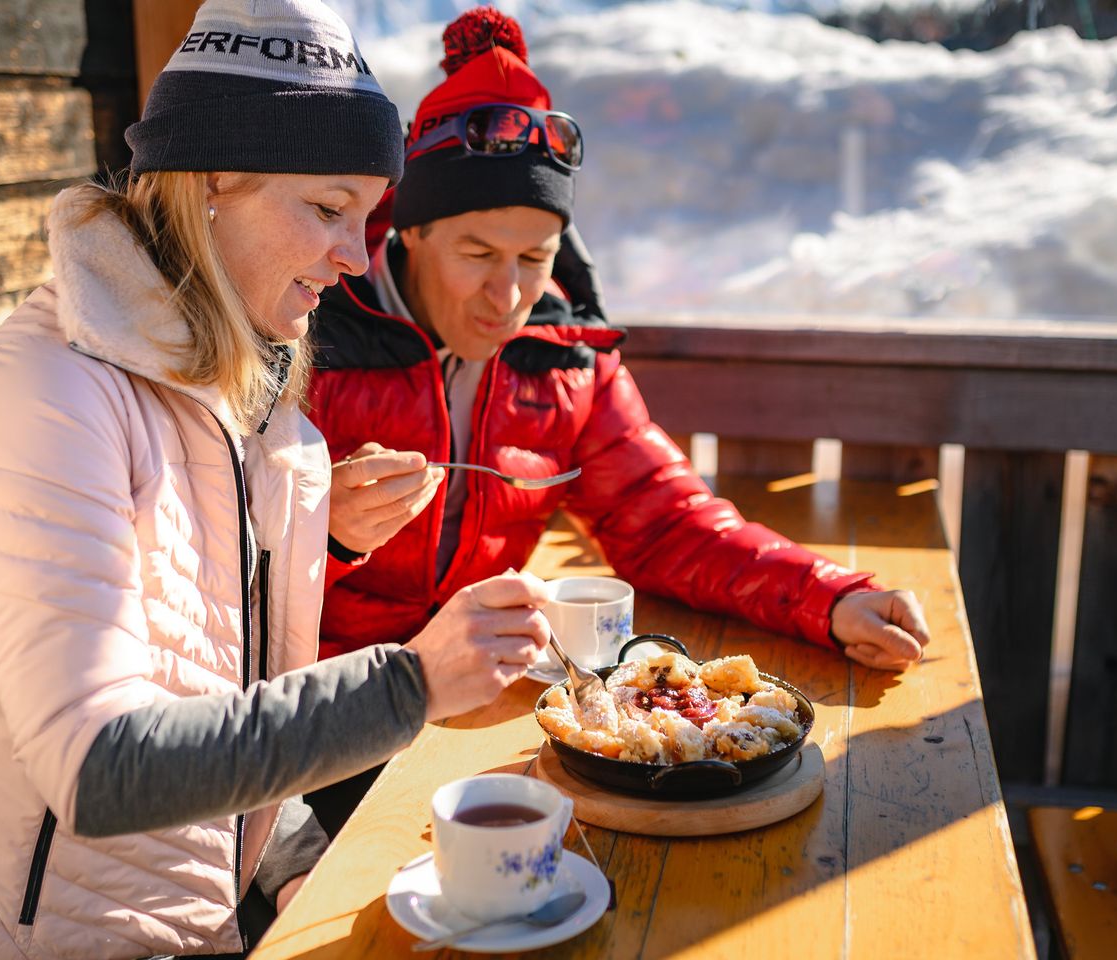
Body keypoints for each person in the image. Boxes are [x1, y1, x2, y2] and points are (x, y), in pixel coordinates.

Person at [0, 3, 552, 959]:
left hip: (194, 921)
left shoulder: (245, 394)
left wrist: (318, 542)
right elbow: (96, 766)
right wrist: (412, 683)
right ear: (209, 179)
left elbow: (203, 659)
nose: (355, 257)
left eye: (368, 217)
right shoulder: (45, 397)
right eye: (328, 208)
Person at [308, 8, 931, 678]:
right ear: (413, 231)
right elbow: (214, 573)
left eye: (534, 257)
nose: (509, 294)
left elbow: (665, 522)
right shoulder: (310, 333)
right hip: (324, 706)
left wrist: (829, 597)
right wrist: (329, 533)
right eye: (479, 252)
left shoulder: (568, 358)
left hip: (475, 688)